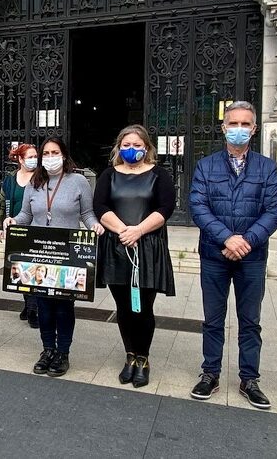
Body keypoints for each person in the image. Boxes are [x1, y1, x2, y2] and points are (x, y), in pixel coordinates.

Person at [188, 101, 277, 409]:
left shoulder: (267, 167)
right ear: (223, 127)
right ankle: (210, 373)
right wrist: (227, 238)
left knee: (250, 320)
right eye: (234, 124)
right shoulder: (206, 165)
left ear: (254, 129)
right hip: (214, 254)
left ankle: (249, 378)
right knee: (213, 319)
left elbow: (273, 210)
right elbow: (198, 207)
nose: (239, 129)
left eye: (245, 124)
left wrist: (247, 241)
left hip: (252, 257)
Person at [5, 137, 103, 376]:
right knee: (43, 306)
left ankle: (63, 352)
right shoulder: (34, 182)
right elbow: (26, 215)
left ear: (64, 154)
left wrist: (94, 226)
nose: (50, 157)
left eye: (54, 152)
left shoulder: (78, 181)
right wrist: (12, 221)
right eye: (46, 153)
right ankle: (47, 349)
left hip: (66, 254)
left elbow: (87, 213)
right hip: (39, 253)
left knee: (63, 307)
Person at [93, 124, 176, 388]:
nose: (132, 150)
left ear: (147, 148)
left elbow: (166, 207)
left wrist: (138, 231)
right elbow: (100, 205)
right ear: (119, 147)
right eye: (126, 145)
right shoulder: (108, 174)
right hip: (116, 247)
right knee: (124, 307)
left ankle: (143, 358)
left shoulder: (159, 174)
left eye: (137, 145)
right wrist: (122, 231)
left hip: (147, 247)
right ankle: (129, 355)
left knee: (143, 308)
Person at [0, 143, 39, 326]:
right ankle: (28, 303)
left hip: (37, 228)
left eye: (35, 156)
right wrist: (0, 225)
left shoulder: (41, 178)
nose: (33, 160)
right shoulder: (10, 179)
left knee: (35, 267)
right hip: (16, 229)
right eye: (29, 157)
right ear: (20, 159)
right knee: (21, 267)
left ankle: (33, 309)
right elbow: (2, 202)